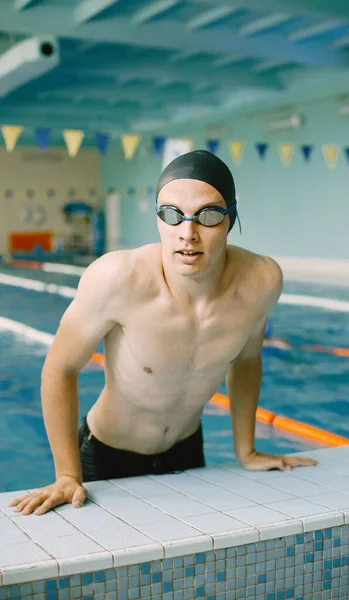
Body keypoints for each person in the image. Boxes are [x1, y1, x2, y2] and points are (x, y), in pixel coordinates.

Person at [9, 150, 316, 516]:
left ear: (230, 219)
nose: (188, 234)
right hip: (106, 453)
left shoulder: (261, 282)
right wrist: (65, 474)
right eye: (172, 215)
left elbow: (248, 360)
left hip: (186, 450)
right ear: (158, 219)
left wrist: (245, 451)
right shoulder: (117, 279)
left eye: (209, 215)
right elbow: (59, 368)